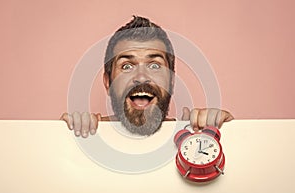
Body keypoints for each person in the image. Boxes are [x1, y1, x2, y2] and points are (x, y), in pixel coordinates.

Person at [61, 16, 234, 138]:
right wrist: (61, 136)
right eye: (127, 66)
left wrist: (230, 134)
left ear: (172, 82)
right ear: (108, 82)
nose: (141, 77)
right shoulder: (87, 136)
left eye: (155, 66)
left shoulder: (195, 135)